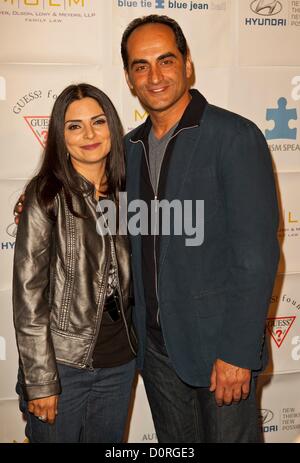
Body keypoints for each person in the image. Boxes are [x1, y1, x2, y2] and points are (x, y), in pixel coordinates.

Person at [121, 15, 279, 442]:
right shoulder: (128, 149)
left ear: (187, 64)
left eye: (166, 61)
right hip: (156, 353)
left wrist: (237, 352)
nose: (155, 76)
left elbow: (256, 257)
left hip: (219, 351)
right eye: (141, 66)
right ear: (129, 78)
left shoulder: (234, 136)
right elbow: (94, 206)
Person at [13, 83, 137, 443]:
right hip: (63, 368)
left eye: (98, 122)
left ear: (112, 127)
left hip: (120, 364)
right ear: (59, 136)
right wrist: (40, 380)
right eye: (74, 125)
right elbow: (28, 295)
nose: (89, 134)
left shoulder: (127, 195)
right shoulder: (47, 195)